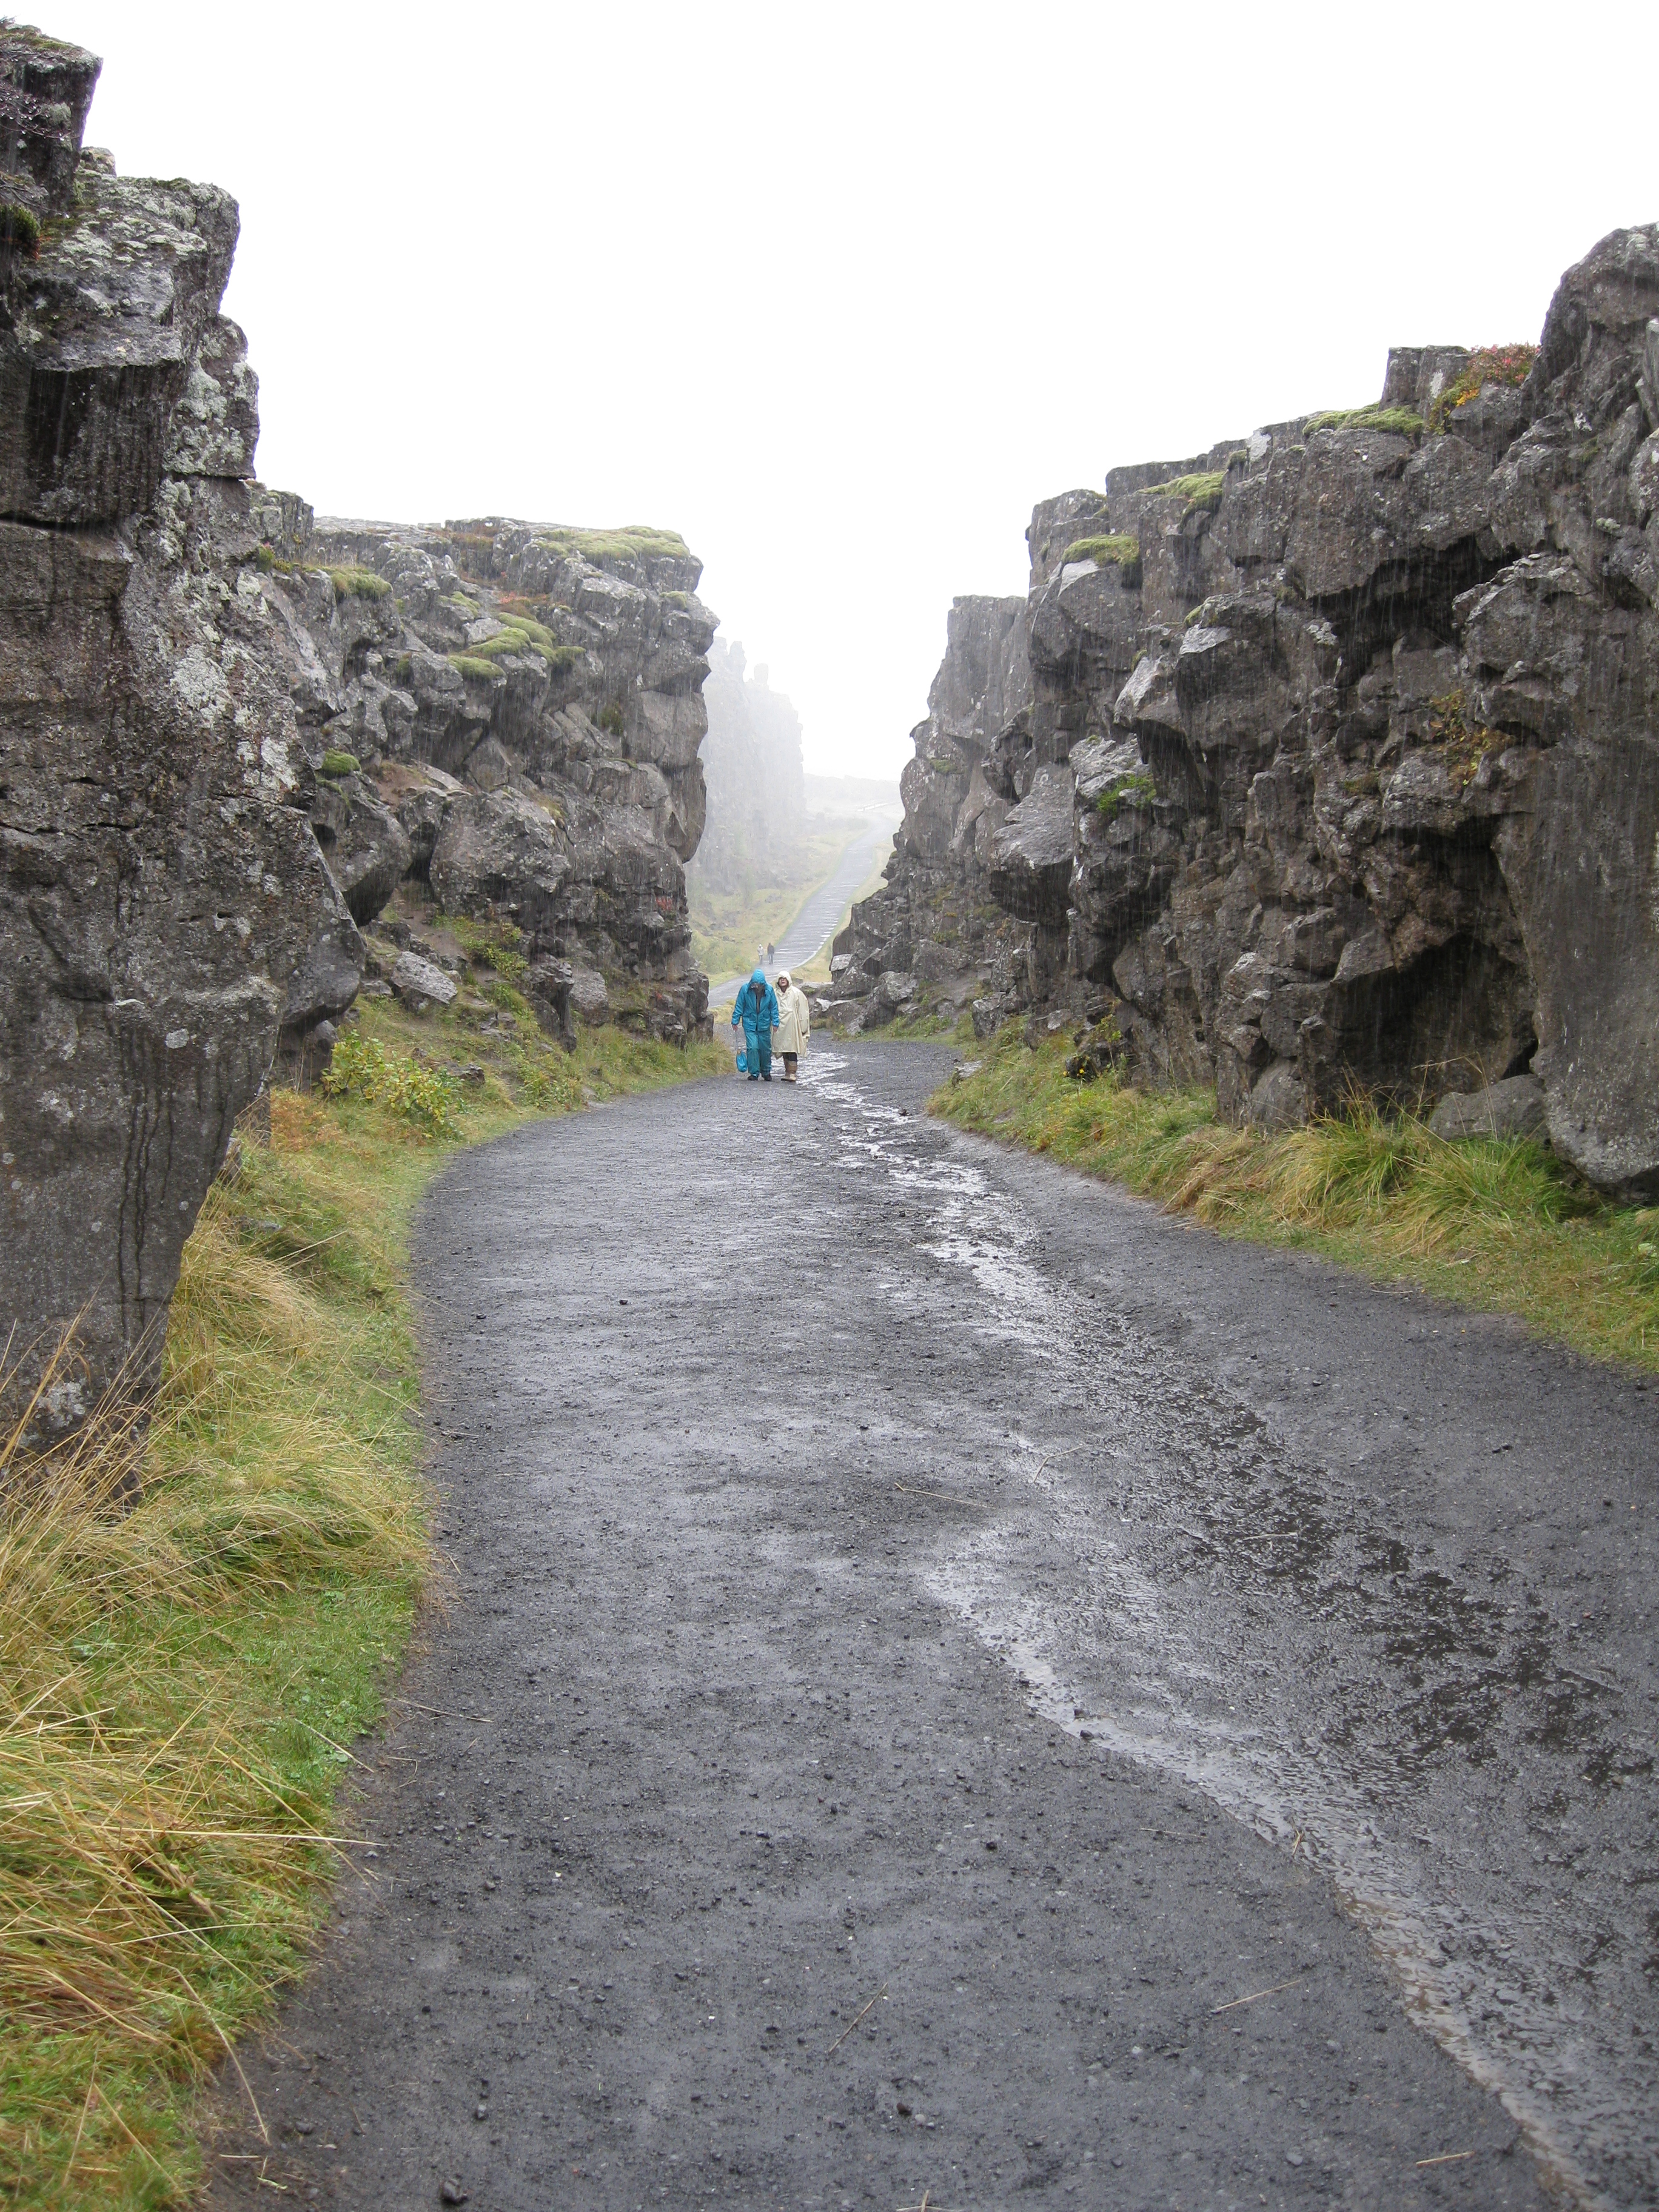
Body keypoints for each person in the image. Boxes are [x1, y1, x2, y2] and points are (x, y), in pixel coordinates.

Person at [731, 966, 780, 1082]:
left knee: (765, 1049)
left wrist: (775, 1021)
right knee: (752, 1048)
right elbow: (739, 1005)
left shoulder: (769, 990)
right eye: (755, 985)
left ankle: (766, 1072)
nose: (757, 987)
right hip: (750, 1023)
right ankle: (754, 1073)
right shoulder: (745, 990)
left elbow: (774, 1007)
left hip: (764, 1023)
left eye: (759, 985)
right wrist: (735, 1020)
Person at [774, 970, 810, 1082]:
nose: (783, 980)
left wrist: (803, 1025)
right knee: (784, 1048)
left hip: (793, 1026)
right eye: (781, 979)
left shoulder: (796, 993)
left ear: (789, 980)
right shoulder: (774, 994)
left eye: (785, 978)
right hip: (780, 1027)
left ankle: (793, 1072)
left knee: (792, 1048)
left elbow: (803, 1010)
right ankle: (787, 1071)